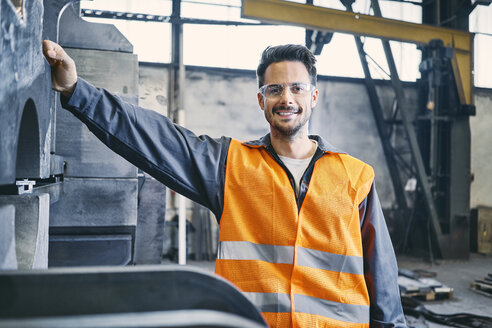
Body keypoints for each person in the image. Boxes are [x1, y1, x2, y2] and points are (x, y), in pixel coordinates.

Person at [42, 39, 406, 327]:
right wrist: (77, 91)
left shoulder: (355, 175)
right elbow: (154, 137)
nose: (287, 98)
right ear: (261, 100)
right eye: (275, 89)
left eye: (297, 88)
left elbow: (383, 281)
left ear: (313, 96)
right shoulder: (230, 164)